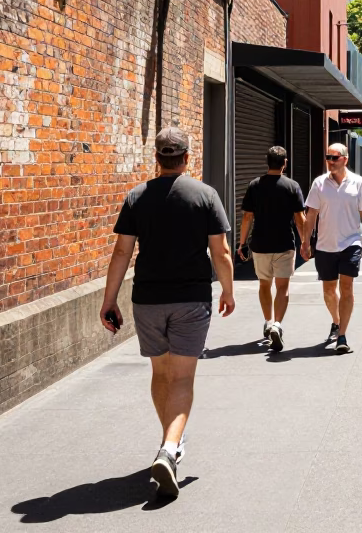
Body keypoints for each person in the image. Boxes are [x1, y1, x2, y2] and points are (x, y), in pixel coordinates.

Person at [99, 127, 235, 497]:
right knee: (183, 379)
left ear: (157, 158)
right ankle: (170, 448)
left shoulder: (137, 197)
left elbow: (122, 253)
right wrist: (228, 290)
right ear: (187, 158)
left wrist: (109, 299)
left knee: (160, 373)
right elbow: (220, 251)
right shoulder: (205, 195)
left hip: (147, 299)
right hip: (191, 299)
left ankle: (169, 444)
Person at [302, 143, 362, 355]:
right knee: (328, 291)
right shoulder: (319, 184)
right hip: (325, 245)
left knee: (346, 288)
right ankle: (336, 321)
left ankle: (342, 335)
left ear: (345, 159)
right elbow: (311, 214)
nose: (330, 161)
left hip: (350, 243)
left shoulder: (359, 183)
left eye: (334, 157)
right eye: (328, 157)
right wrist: (306, 242)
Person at [238, 146, 307, 352]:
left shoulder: (254, 186)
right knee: (283, 287)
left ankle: (268, 322)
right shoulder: (292, 186)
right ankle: (277, 324)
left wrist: (241, 243)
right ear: (284, 163)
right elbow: (299, 218)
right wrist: (305, 243)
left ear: (267, 162)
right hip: (284, 243)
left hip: (260, 244)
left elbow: (247, 217)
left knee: (264, 285)